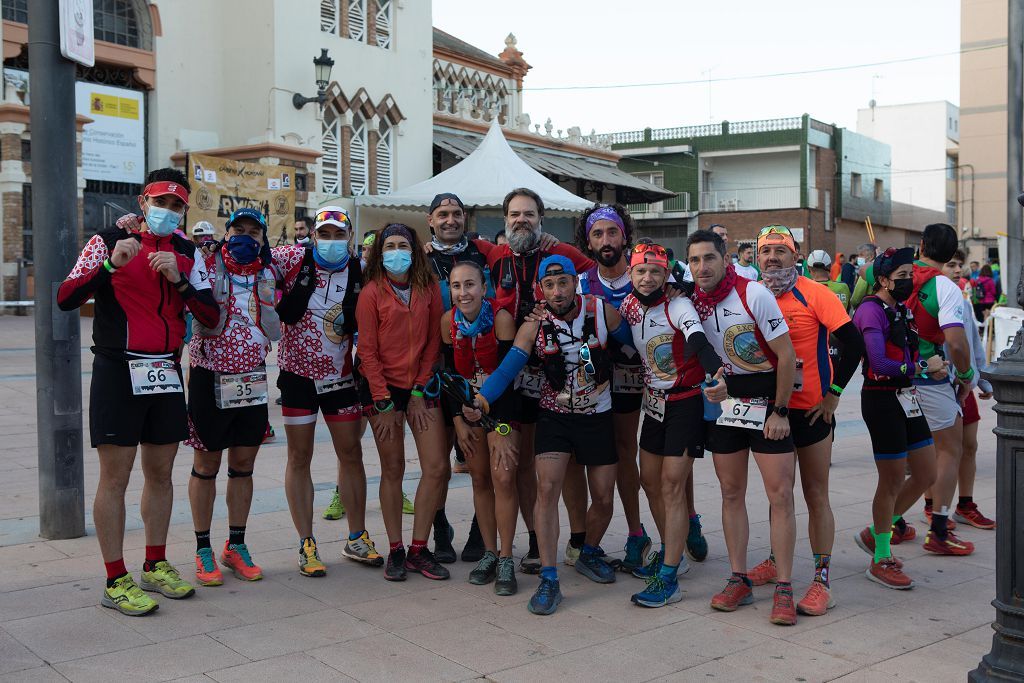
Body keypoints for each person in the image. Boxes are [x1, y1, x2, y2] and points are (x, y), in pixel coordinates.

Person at [58, 168, 217, 616]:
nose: (167, 211)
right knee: (116, 477)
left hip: (166, 372)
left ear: (185, 210)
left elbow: (211, 315)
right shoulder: (107, 240)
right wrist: (112, 265)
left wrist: (180, 282)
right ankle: (114, 578)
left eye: (176, 205)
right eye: (160, 202)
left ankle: (155, 562)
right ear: (142, 202)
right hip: (118, 370)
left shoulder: (188, 252)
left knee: (161, 474)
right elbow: (66, 298)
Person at [469, 254, 633, 615]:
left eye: (563, 282)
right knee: (546, 491)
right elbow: (508, 368)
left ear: (576, 282)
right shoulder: (534, 325)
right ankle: (549, 577)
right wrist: (481, 400)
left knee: (604, 497)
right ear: (540, 289)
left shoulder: (603, 312)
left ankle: (588, 551)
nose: (557, 291)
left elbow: (636, 345)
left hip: (597, 415)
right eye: (549, 285)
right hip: (554, 417)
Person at [744, 226, 864, 617]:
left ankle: (821, 579)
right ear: (756, 258)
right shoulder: (751, 294)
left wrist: (834, 395)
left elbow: (854, 343)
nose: (773, 257)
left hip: (811, 409)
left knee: (815, 493)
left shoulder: (816, 294)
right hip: (770, 407)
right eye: (766, 252)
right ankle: (777, 561)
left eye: (781, 250)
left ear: (797, 257)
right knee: (778, 493)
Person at [686, 228, 800, 626]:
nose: (702, 267)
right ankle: (738, 578)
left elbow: (786, 357)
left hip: (769, 404)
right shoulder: (690, 302)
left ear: (726, 259)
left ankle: (784, 585)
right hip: (728, 407)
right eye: (695, 260)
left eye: (709, 258)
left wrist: (781, 411)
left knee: (780, 494)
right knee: (731, 492)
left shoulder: (755, 294)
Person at [486, 187, 595, 574]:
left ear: (541, 219)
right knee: (508, 464)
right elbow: (455, 251)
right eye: (515, 214)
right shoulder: (494, 254)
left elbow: (595, 271)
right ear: (505, 220)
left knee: (553, 464)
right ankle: (500, 546)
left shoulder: (559, 254)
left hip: (553, 375)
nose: (521, 221)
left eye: (529, 215)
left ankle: (574, 538)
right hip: (510, 371)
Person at [273, 206, 380, 576]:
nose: (331, 242)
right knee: (298, 456)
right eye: (325, 234)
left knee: (351, 453)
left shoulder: (360, 269)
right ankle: (306, 542)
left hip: (340, 377)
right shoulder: (291, 258)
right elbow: (244, 255)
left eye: (339, 234)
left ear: (350, 237)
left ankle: (357, 536)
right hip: (297, 375)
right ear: (314, 235)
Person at [618, 243, 725, 607]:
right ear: (630, 274)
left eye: (655, 272)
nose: (647, 278)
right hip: (654, 404)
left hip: (686, 403)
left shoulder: (678, 304)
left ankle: (668, 575)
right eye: (640, 271)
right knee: (649, 480)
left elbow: (696, 338)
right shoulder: (628, 307)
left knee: (671, 485)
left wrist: (715, 368)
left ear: (667, 275)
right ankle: (671, 549)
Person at [186, 208, 280, 586]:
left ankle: (235, 545)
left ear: (262, 236)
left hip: (252, 379)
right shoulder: (205, 261)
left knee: (243, 463)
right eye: (237, 229)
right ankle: (203, 548)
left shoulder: (271, 269)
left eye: (252, 231)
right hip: (210, 376)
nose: (244, 236)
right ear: (226, 233)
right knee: (206, 464)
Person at [356, 223, 450, 581]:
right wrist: (382, 400)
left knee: (437, 466)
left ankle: (418, 548)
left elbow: (432, 343)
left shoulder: (427, 289)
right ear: (380, 253)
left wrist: (417, 391)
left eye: (403, 244)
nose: (397, 251)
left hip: (420, 387)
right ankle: (395, 548)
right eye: (389, 245)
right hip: (382, 391)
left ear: (414, 249)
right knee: (392, 469)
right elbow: (367, 350)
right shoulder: (371, 293)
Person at [852, 247, 938, 589]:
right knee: (889, 481)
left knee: (926, 472)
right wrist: (919, 367)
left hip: (907, 397)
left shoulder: (900, 308)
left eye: (910, 275)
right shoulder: (870, 311)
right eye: (902, 276)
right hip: (881, 400)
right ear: (884, 280)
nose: (909, 280)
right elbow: (878, 364)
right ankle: (881, 557)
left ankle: (877, 532)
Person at [441, 260, 520, 595]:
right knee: (480, 478)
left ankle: (505, 557)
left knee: (503, 478)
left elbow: (509, 378)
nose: (463, 293)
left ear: (483, 287)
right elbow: (447, 377)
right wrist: (458, 422)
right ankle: (488, 552)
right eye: (457, 286)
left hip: (500, 411)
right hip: (467, 413)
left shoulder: (500, 319)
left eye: (470, 284)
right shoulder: (448, 322)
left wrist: (500, 429)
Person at [424, 192, 494, 561]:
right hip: (435, 372)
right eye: (442, 214)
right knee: (437, 462)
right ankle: (439, 530)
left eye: (456, 213)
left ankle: (480, 532)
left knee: (477, 458)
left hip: (478, 373)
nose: (450, 220)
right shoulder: (419, 260)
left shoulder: (484, 254)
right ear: (430, 220)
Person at [909, 223, 975, 556]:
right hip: (930, 378)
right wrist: (965, 375)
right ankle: (938, 530)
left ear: (921, 245)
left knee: (902, 457)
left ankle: (887, 526)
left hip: (891, 378)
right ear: (951, 255)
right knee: (950, 449)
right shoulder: (944, 287)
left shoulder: (896, 275)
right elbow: (956, 341)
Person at [941, 251, 995, 530]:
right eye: (951, 265)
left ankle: (965, 504)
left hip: (965, 384)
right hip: (939, 387)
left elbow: (972, 344)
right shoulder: (929, 299)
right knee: (942, 452)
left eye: (960, 265)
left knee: (969, 446)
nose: (958, 269)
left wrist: (982, 379)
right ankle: (933, 509)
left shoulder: (963, 302)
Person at [850, 243, 879, 309]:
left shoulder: (866, 270)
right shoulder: (879, 268)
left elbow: (856, 298)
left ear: (871, 256)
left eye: (861, 255)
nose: (858, 257)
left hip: (865, 306)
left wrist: (853, 304)